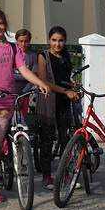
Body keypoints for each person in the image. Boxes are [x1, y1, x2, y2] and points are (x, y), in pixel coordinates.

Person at [0, 8, 50, 204]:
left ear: (5, 25)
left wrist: (40, 82)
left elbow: (23, 70)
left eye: (1, 23)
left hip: (7, 100)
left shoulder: (13, 48)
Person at [34, 26, 82, 190]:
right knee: (47, 140)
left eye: (61, 40)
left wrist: (72, 86)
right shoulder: (43, 56)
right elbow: (43, 81)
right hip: (48, 101)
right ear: (49, 40)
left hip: (64, 102)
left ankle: (65, 174)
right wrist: (65, 91)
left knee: (65, 140)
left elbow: (65, 78)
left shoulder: (66, 56)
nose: (57, 44)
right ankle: (47, 177)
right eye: (54, 40)